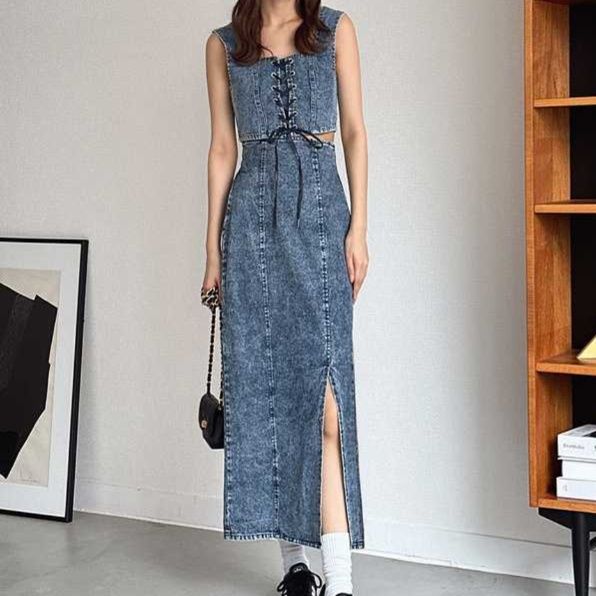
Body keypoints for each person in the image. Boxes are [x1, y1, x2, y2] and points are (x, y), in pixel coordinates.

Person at [203, 1, 368, 594]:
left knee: (327, 405)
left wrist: (359, 229)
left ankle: (340, 581)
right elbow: (223, 149)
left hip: (322, 215)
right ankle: (295, 567)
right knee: (264, 396)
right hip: (251, 224)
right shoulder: (225, 44)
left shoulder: (334, 30)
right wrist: (213, 250)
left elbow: (354, 132)